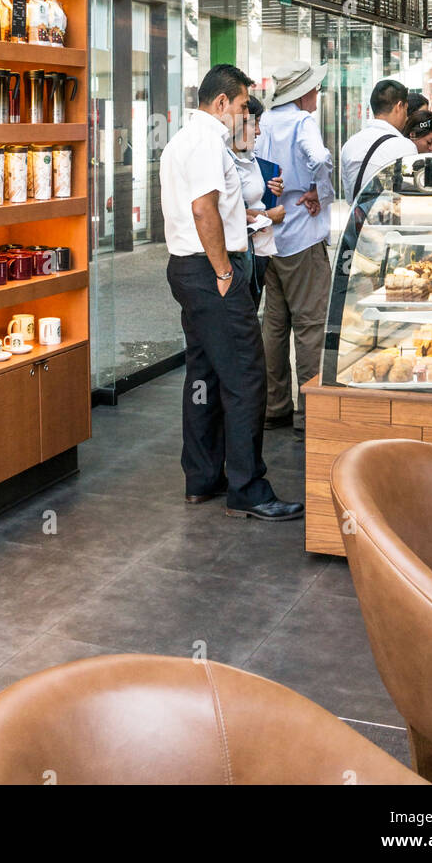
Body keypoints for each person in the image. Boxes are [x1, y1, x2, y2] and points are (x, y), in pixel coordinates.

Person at [160, 64, 303, 522]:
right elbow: (205, 210)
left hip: (188, 270)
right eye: (244, 105)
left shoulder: (184, 139)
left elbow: (213, 207)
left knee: (204, 373)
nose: (247, 113)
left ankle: (202, 478)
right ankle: (248, 488)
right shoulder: (205, 141)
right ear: (221, 102)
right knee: (245, 376)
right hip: (209, 272)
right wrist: (225, 271)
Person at [255, 61, 334, 439]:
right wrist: (320, 189)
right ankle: (310, 412)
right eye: (315, 89)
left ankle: (274, 407)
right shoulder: (303, 123)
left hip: (271, 232)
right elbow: (319, 158)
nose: (317, 95)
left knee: (274, 324)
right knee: (310, 326)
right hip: (303, 234)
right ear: (303, 93)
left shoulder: (266, 121)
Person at [228, 95, 285, 310]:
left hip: (259, 254)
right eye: (256, 124)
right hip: (242, 258)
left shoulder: (249, 158)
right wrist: (270, 217)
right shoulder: (226, 163)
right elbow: (231, 212)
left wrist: (273, 188)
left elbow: (255, 199)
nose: (259, 131)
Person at [340, 78, 418, 205]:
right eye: (406, 109)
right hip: (389, 221)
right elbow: (409, 198)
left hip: (360, 222)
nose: (407, 116)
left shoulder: (350, 145)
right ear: (399, 106)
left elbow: (350, 199)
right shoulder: (405, 147)